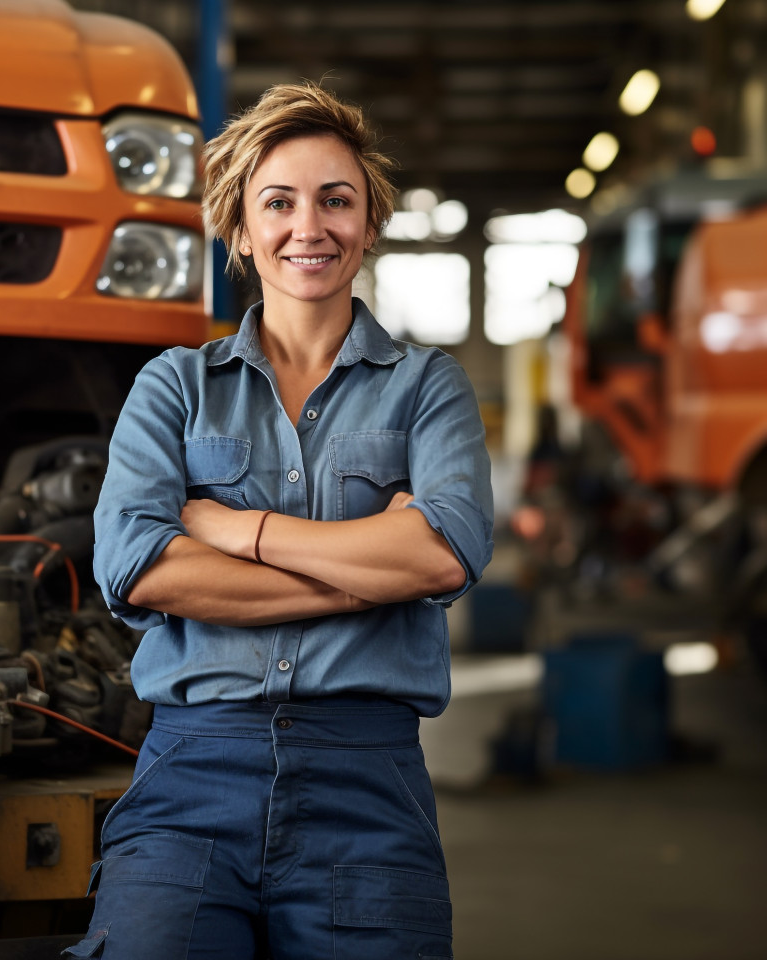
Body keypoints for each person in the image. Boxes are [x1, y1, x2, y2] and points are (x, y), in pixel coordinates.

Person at [71, 82, 493, 960]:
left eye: (337, 200)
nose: (311, 227)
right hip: (192, 779)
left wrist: (239, 530)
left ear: (369, 223)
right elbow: (141, 568)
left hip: (367, 784)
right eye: (280, 202)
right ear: (240, 228)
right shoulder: (174, 388)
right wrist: (363, 577)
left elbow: (444, 555)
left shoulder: (428, 388)